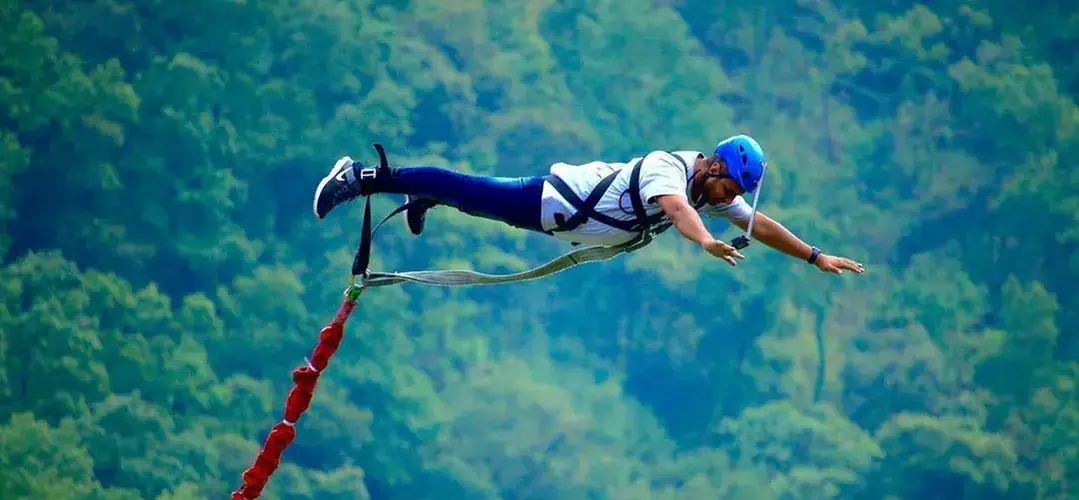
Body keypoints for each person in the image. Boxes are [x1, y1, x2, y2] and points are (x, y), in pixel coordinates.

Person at [312, 135, 865, 275]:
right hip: (555, 198)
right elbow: (677, 212)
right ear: (716, 166)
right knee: (467, 188)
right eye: (730, 190)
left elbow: (761, 225)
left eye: (734, 198)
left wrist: (816, 257)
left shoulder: (707, 191)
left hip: (557, 218)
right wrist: (705, 242)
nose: (731, 202)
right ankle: (361, 176)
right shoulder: (668, 172)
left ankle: (422, 193)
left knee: (473, 200)